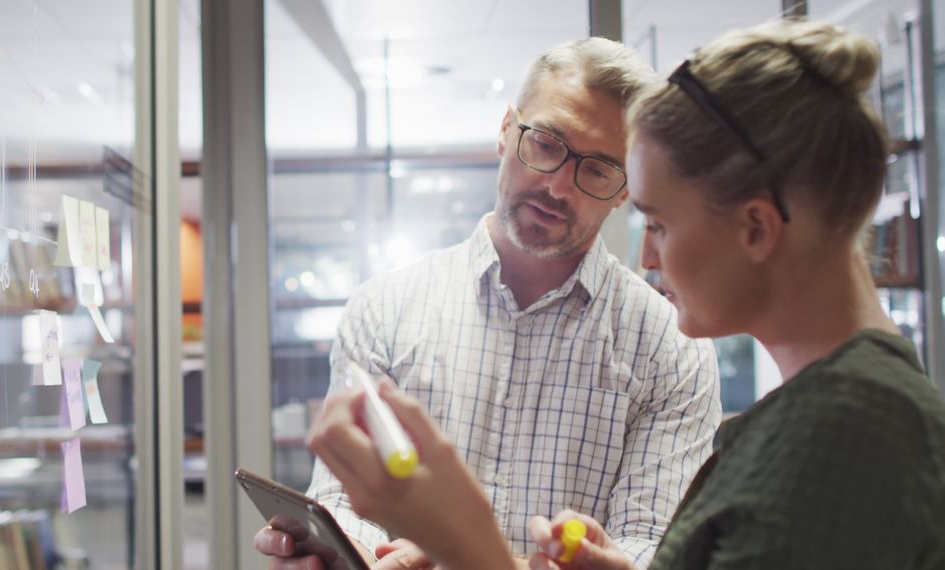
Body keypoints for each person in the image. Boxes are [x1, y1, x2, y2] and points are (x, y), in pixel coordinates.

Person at [306, 18, 945, 570]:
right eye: (547, 146)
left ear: (755, 227)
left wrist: (466, 544)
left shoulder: (852, 430)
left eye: (659, 223)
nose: (646, 256)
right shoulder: (817, 416)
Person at [255, 38, 722, 569]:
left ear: (625, 189)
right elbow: (343, 496)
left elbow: (649, 552)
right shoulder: (384, 307)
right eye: (546, 143)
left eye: (596, 170)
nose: (558, 186)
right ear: (506, 129)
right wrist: (339, 552)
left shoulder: (670, 348)